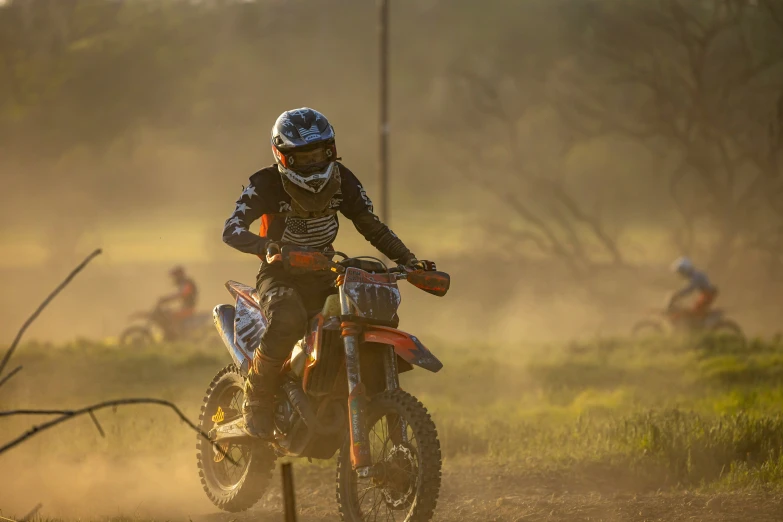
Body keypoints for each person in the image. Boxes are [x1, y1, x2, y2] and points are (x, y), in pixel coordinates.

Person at [222, 107, 422, 439]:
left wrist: (408, 259)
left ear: (330, 150)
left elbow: (370, 225)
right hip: (279, 275)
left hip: (326, 270)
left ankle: (348, 392)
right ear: (283, 155)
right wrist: (268, 248)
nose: (313, 162)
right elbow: (231, 229)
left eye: (319, 153)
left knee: (369, 312)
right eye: (303, 156)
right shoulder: (266, 183)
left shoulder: (343, 179)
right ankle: (256, 399)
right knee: (287, 320)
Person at [668, 257, 718, 322]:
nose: (681, 275)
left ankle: (695, 327)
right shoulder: (694, 275)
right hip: (705, 295)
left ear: (685, 270)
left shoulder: (696, 276)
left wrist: (678, 294)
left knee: (694, 313)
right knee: (692, 311)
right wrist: (679, 293)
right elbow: (688, 287)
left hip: (707, 296)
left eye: (681, 272)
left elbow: (690, 288)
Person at [158, 266, 199, 339]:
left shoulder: (187, 283)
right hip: (185, 308)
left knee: (171, 316)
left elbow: (182, 294)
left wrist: (166, 299)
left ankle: (175, 336)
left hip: (189, 309)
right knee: (168, 313)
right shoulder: (185, 283)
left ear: (179, 275)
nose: (174, 279)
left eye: (175, 276)